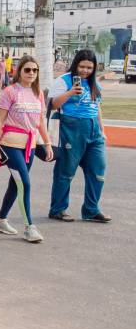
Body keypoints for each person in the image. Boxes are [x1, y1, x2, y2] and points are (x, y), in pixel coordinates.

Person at [0, 55, 52, 242]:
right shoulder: (10, 91)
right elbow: (0, 119)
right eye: (27, 70)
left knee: (15, 184)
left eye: (35, 70)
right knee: (24, 183)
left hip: (30, 146)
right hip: (9, 144)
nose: (31, 73)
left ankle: (0, 220)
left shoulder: (38, 93)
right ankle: (29, 227)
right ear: (20, 71)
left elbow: (40, 121)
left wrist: (47, 143)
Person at [48, 49, 111, 223]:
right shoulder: (64, 80)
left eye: (89, 67)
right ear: (76, 64)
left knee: (98, 171)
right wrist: (69, 93)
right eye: (82, 66)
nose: (85, 70)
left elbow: (96, 107)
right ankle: (58, 209)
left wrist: (102, 129)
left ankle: (91, 210)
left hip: (94, 132)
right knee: (66, 172)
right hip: (71, 129)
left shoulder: (94, 84)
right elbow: (52, 105)